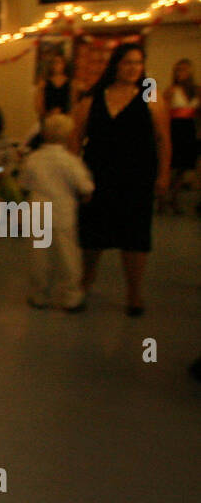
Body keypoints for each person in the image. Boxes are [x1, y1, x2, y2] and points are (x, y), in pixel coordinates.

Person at [71, 42, 171, 316]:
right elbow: (76, 138)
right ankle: (86, 279)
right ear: (116, 64)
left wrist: (163, 174)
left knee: (135, 235)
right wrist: (74, 176)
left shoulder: (149, 92)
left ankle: (134, 292)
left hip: (137, 175)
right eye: (127, 63)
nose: (132, 68)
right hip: (98, 173)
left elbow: (163, 138)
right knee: (93, 233)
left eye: (137, 63)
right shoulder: (94, 96)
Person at [21, 113, 95, 312]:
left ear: (44, 134)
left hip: (37, 211)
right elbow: (85, 187)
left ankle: (39, 294)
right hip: (63, 211)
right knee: (68, 255)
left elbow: (24, 184)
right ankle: (71, 296)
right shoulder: (71, 161)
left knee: (39, 255)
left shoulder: (33, 158)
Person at [164, 59, 197, 213]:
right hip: (175, 128)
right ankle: (164, 200)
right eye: (177, 71)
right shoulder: (171, 90)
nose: (180, 73)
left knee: (183, 167)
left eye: (183, 70)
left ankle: (174, 199)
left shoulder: (196, 91)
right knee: (171, 166)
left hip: (189, 129)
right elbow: (163, 112)